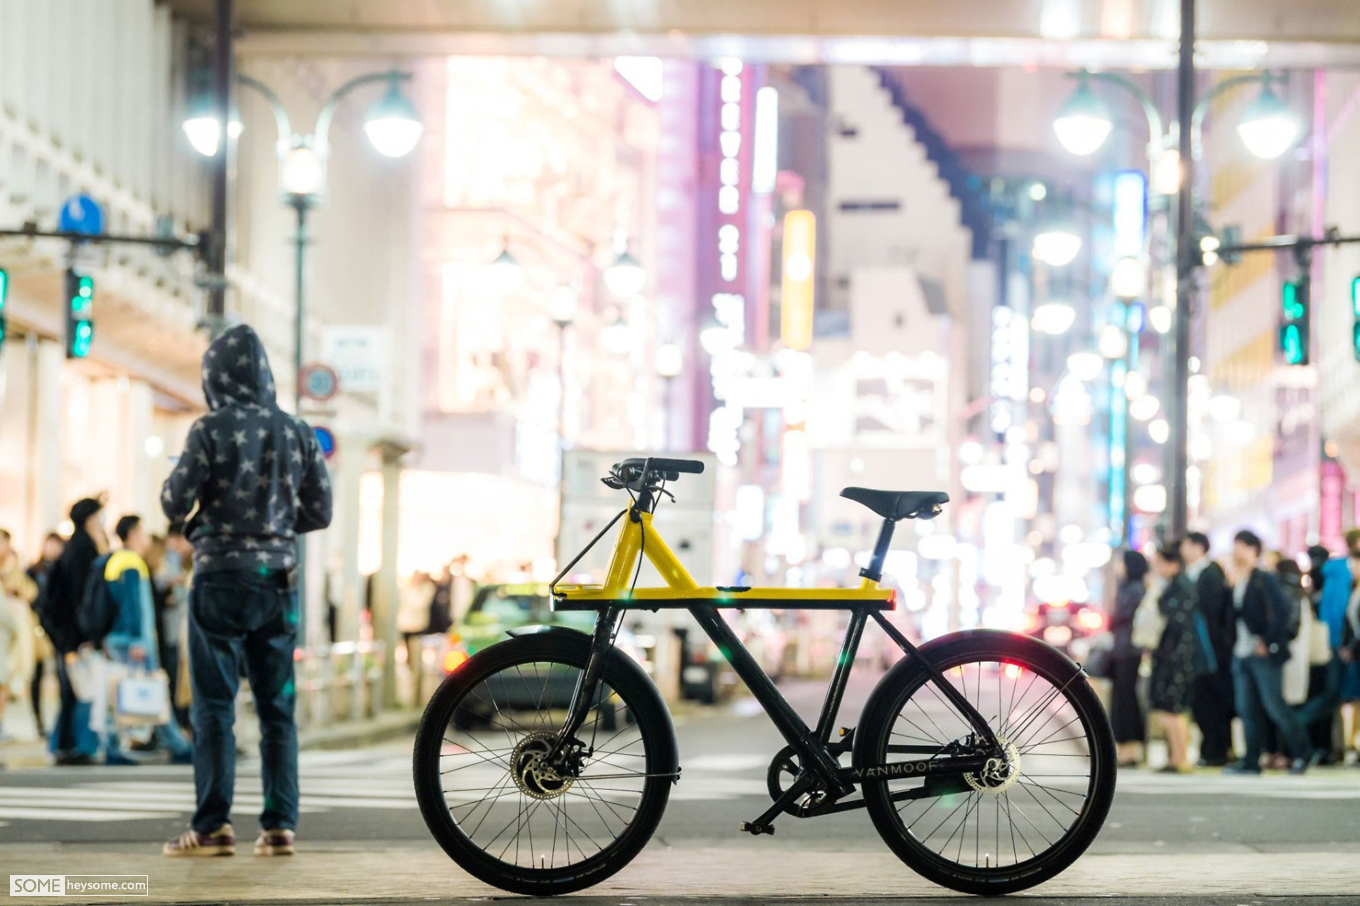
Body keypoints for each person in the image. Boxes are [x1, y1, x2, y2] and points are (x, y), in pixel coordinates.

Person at [160, 323, 332, 858]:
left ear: (216, 378)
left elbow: (172, 500)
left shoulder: (209, 429)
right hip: (278, 584)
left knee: (214, 706)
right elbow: (320, 511)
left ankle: (212, 826)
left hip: (217, 580)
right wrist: (276, 525)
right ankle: (280, 825)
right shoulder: (298, 431)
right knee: (277, 707)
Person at [99, 516, 192, 765]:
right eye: (141, 532)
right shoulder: (130, 562)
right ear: (131, 534)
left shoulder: (116, 560)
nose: (146, 538)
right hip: (134, 641)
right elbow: (133, 606)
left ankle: (114, 745)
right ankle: (176, 744)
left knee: (124, 692)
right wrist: (138, 640)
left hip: (122, 638)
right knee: (146, 691)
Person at [1223, 530, 1313, 775]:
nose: (1236, 551)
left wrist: (1266, 640)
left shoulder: (1264, 578)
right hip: (1241, 653)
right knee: (1246, 708)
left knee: (1275, 706)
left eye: (1240, 546)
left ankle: (1303, 753)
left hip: (1263, 654)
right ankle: (1251, 760)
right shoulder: (1238, 578)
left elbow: (1283, 612)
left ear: (1253, 550)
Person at [42, 498, 108, 765]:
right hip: (76, 636)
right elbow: (84, 597)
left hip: (67, 634)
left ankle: (62, 744)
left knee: (72, 692)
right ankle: (75, 746)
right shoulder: (83, 549)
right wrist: (88, 635)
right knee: (80, 692)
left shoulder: (73, 547)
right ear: (91, 519)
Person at [1181, 532, 1234, 766]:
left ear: (1198, 547)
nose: (1183, 549)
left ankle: (1216, 750)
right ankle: (1211, 749)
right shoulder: (1194, 573)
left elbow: (1213, 616)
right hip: (1199, 650)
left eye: (1186, 544)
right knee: (1202, 702)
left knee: (1212, 701)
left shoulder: (1210, 574)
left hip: (1211, 651)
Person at [1147, 545, 1198, 773]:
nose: (1156, 568)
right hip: (1173, 654)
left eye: (1160, 563)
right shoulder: (1177, 584)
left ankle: (1180, 758)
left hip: (1176, 655)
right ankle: (1176, 757)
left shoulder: (1180, 586)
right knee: (1171, 708)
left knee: (1173, 707)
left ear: (1173, 564)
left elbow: (1174, 619)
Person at [1109, 549, 1149, 767]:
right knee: (1122, 699)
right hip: (1123, 650)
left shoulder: (1134, 589)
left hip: (1129, 651)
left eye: (1121, 563)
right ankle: (1125, 747)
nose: (1118, 567)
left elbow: (1123, 618)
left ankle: (1130, 749)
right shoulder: (1129, 588)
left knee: (1126, 700)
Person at [1, 528, 40, 741]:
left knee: (6, 680)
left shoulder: (12, 567)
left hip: (10, 634)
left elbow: (31, 590)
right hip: (6, 631)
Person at [26, 533, 64, 737]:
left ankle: (58, 721)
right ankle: (39, 720)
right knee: (36, 674)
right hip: (37, 628)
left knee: (61, 675)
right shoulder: (33, 571)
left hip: (54, 629)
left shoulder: (60, 569)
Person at [157, 523, 194, 730]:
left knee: (182, 680)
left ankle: (183, 725)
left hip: (182, 632)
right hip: (172, 632)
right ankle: (178, 726)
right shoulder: (166, 560)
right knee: (173, 678)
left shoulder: (184, 562)